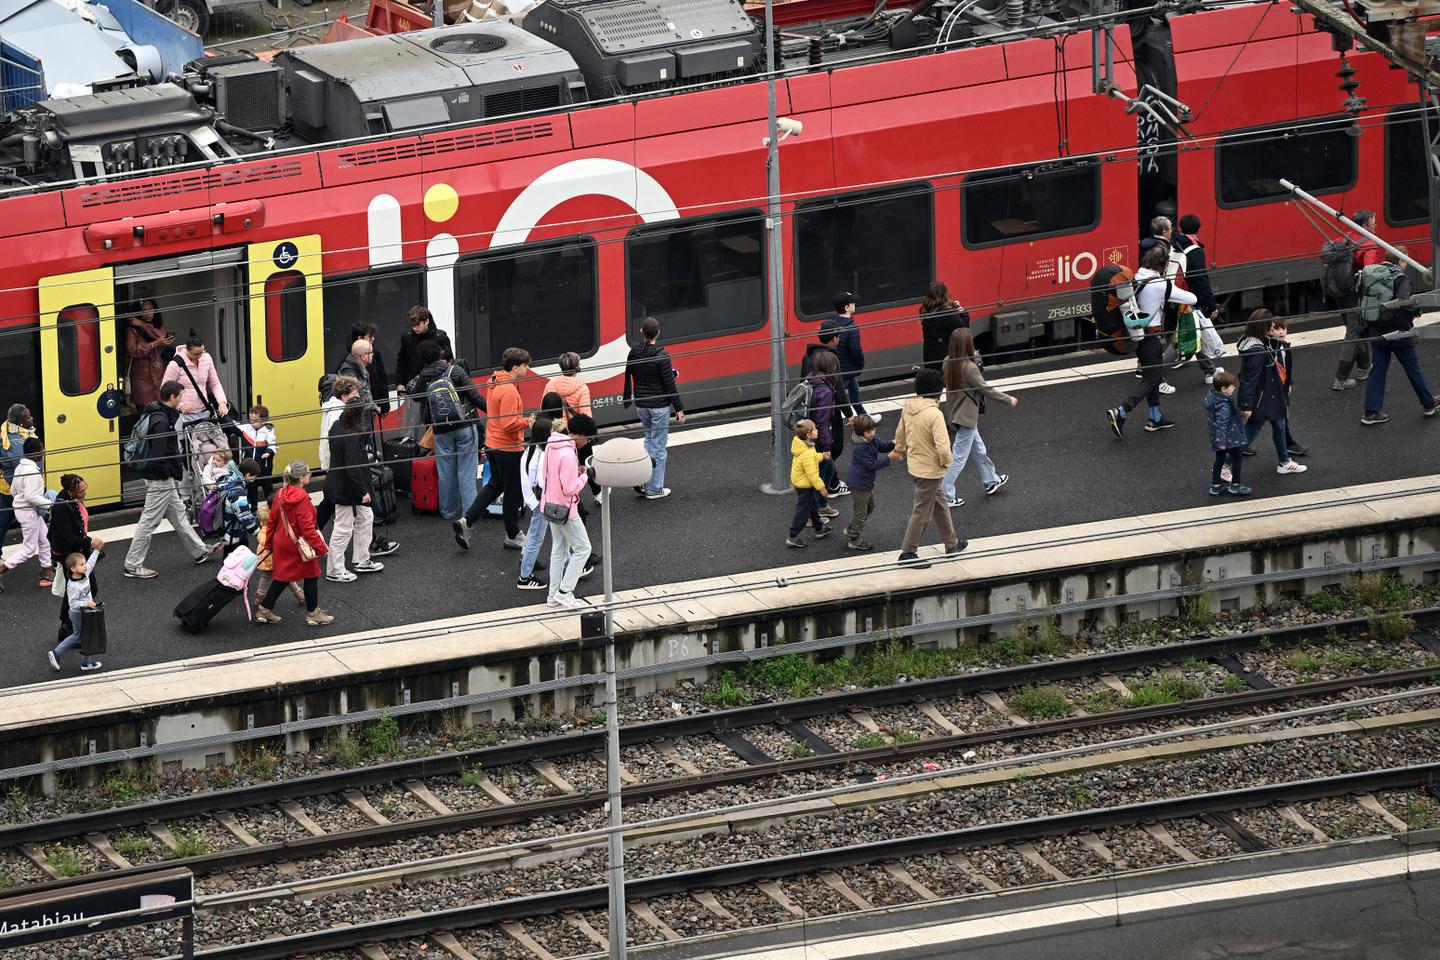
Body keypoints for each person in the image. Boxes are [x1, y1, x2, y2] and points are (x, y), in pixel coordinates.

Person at [124, 381, 216, 579]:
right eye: (180, 396)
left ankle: (200, 551)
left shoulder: (156, 412)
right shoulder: (162, 421)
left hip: (162, 476)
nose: (182, 399)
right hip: (161, 478)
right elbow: (159, 453)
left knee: (179, 515)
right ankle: (132, 565)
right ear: (173, 398)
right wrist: (167, 472)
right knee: (149, 522)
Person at [1105, 244, 1196, 439]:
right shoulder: (1160, 284)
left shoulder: (1136, 277)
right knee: (1152, 378)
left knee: (1152, 373)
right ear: (1163, 264)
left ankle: (1154, 417)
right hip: (1150, 338)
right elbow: (1192, 298)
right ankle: (1120, 411)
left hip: (1136, 333)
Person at [455, 347, 530, 550]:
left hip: (492, 443)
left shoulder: (495, 381)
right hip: (508, 448)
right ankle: (513, 535)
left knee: (494, 486)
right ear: (515, 367)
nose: (528, 369)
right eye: (525, 365)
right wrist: (527, 421)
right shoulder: (509, 391)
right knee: (513, 493)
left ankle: (467, 521)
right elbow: (508, 423)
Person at [891, 368, 965, 567]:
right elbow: (943, 445)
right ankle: (908, 552)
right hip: (930, 470)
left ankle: (952, 543)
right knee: (922, 511)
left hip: (916, 466)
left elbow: (900, 432)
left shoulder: (908, 407)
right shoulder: (935, 414)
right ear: (939, 391)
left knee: (939, 504)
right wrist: (947, 463)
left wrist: (899, 449)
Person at [1358, 249, 1438, 425]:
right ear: (1401, 261)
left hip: (1376, 329)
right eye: (1406, 260)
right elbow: (1405, 303)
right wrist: (1417, 310)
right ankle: (1428, 404)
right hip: (1399, 332)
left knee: (1377, 370)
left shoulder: (1373, 273)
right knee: (1412, 367)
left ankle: (1370, 412)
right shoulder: (1401, 278)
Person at [406, 340, 481, 521]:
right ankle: (469, 514)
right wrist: (495, 413)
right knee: (466, 471)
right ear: (440, 353)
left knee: (446, 471)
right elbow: (474, 395)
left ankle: (448, 511)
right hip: (464, 426)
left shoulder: (423, 377)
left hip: (440, 430)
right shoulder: (455, 371)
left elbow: (415, 396)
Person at [940, 328, 1014, 508]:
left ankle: (991, 480)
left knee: (978, 449)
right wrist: (1008, 399)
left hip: (957, 413)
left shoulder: (948, 362)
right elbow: (985, 389)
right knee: (958, 458)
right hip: (967, 417)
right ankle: (945, 495)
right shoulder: (969, 367)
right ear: (967, 345)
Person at [254, 460, 333, 627]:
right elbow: (308, 529)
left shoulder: (280, 494)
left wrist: (269, 544)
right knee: (311, 575)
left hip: (282, 541)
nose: (310, 476)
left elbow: (272, 522)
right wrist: (321, 548)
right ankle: (313, 613)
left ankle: (264, 609)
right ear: (302, 477)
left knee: (283, 576)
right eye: (308, 474)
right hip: (298, 543)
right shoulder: (302, 498)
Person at [1237, 310, 1307, 475]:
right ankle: (1225, 465)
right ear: (1266, 327)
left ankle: (1284, 461)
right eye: (1272, 326)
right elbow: (1250, 379)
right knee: (1250, 433)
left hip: (1271, 394)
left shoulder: (1253, 342)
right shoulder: (1258, 349)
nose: (1276, 330)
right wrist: (1247, 405)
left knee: (1280, 425)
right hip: (1264, 397)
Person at [623, 317, 685, 500]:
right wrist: (679, 409)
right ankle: (654, 489)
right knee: (658, 448)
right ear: (658, 333)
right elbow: (668, 385)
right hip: (659, 407)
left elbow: (634, 375)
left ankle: (644, 481)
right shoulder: (662, 356)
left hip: (641, 405)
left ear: (642, 332)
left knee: (648, 442)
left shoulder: (634, 353)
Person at [324, 399, 385, 583]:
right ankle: (334, 569)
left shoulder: (336, 426)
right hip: (347, 489)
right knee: (343, 528)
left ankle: (361, 559)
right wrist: (362, 492)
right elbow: (353, 468)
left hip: (339, 483)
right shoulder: (350, 436)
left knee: (366, 518)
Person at [542, 413, 597, 609]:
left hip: (549, 505)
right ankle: (565, 592)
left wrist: (575, 472)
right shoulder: (568, 453)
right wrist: (585, 476)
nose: (587, 442)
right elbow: (569, 488)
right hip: (566, 509)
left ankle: (552, 596)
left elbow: (548, 476)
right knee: (583, 549)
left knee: (558, 550)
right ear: (579, 435)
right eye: (588, 438)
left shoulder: (551, 445)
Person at [47, 473, 103, 644]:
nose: (85, 492)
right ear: (71, 492)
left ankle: (69, 627)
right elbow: (66, 537)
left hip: (76, 551)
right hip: (68, 555)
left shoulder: (72, 501)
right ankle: (68, 628)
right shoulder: (62, 507)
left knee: (78, 588)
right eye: (81, 490)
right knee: (80, 588)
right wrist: (90, 541)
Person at [1172, 215, 1223, 385]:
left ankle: (1209, 370)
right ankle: (1154, 374)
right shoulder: (1194, 250)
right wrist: (1211, 304)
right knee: (1190, 333)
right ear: (1198, 229)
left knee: (1188, 332)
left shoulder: (1173, 243)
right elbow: (1202, 280)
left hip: (1171, 292)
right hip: (1187, 297)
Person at [0, 437, 54, 590]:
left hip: (24, 511)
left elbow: (13, 491)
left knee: (45, 541)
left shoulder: (20, 467)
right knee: (29, 549)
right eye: (42, 450)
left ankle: (46, 576)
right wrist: (49, 503)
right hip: (29, 512)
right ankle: (1, 570)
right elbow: (31, 497)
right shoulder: (32, 471)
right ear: (37, 452)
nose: (43, 452)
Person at [395, 306, 453, 435]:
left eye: (417, 325)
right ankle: (408, 449)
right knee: (409, 429)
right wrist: (400, 383)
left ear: (426, 321)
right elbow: (402, 361)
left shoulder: (440, 337)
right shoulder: (407, 338)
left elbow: (449, 361)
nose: (414, 328)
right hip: (413, 388)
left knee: (437, 424)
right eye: (412, 325)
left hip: (436, 387)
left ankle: (435, 448)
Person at [843, 414, 893, 551]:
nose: (872, 432)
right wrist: (889, 458)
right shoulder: (860, 448)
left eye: (873, 429)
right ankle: (854, 539)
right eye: (869, 431)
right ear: (861, 432)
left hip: (864, 483)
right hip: (859, 484)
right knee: (861, 512)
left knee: (870, 507)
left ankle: (852, 529)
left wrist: (894, 443)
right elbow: (872, 465)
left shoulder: (871, 439)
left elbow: (883, 446)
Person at [48, 548, 103, 672]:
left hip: (83, 611)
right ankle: (86, 663)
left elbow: (91, 563)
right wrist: (87, 603)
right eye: (81, 564)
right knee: (87, 635)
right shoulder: (73, 586)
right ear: (73, 569)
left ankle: (57, 653)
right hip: (78, 613)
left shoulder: (85, 573)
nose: (85, 566)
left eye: (84, 563)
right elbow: (73, 603)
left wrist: (97, 551)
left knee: (79, 635)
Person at [807, 350, 851, 502]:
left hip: (808, 434)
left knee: (826, 470)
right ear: (831, 368)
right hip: (819, 440)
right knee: (822, 474)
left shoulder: (810, 380)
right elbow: (822, 422)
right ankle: (815, 510)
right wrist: (826, 447)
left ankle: (821, 505)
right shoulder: (825, 391)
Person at [517, 414, 554, 591]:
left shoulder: (530, 450)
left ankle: (572, 564)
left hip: (532, 500)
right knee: (536, 540)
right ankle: (524, 577)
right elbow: (542, 481)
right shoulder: (542, 455)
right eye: (552, 431)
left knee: (551, 533)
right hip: (541, 502)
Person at [1204, 371, 1252, 497]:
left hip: (1221, 438)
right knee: (1237, 459)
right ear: (1224, 389)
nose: (1234, 388)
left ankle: (1216, 487)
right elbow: (1222, 425)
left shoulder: (1214, 398)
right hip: (1230, 439)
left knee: (1219, 460)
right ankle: (1235, 485)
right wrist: (1221, 442)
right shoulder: (1224, 405)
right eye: (1232, 387)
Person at [785, 419, 831, 548]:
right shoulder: (807, 453)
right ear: (809, 435)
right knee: (803, 511)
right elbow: (812, 474)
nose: (817, 430)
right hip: (806, 486)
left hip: (800, 482)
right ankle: (793, 536)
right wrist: (822, 488)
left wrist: (822, 456)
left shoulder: (803, 445)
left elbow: (812, 457)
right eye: (815, 429)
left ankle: (818, 528)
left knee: (812, 507)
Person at [252, 500, 305, 609]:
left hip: (265, 559)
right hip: (277, 557)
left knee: (265, 577)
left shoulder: (263, 531)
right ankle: (299, 594)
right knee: (287, 576)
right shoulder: (275, 530)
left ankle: (260, 596)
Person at [163, 336, 229, 424]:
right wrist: (180, 406)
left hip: (204, 410)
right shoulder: (175, 364)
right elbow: (165, 390)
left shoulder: (206, 358)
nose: (199, 356)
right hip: (184, 414)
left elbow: (215, 384)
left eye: (202, 352)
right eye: (195, 354)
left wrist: (222, 402)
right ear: (187, 349)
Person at [830, 292, 874, 419]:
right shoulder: (852, 328)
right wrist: (860, 364)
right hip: (847, 370)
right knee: (838, 398)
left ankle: (864, 417)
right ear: (846, 308)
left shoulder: (831, 321)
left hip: (842, 368)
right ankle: (855, 421)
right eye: (852, 303)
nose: (854, 304)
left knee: (854, 394)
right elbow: (856, 351)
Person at [0, 404, 38, 547]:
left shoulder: (9, 431)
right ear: (20, 423)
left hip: (6, 488)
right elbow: (22, 473)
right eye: (28, 417)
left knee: (3, 523)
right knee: (36, 526)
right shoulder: (19, 444)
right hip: (17, 491)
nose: (32, 418)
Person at [124, 306, 173, 408]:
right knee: (145, 408)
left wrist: (142, 324)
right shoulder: (132, 330)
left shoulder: (160, 327)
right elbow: (132, 350)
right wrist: (153, 344)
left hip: (159, 370)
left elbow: (161, 336)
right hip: (142, 373)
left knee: (161, 405)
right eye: (144, 310)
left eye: (151, 310)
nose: (148, 313)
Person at [919, 282, 969, 372]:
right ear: (944, 295)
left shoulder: (924, 309)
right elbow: (963, 326)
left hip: (930, 355)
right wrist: (962, 311)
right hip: (945, 355)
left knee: (935, 380)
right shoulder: (946, 312)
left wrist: (952, 308)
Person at [350, 322, 391, 417]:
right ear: (360, 338)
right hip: (359, 409)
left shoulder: (375, 353)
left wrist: (384, 406)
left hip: (374, 404)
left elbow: (382, 378)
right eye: (370, 337)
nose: (373, 339)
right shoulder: (349, 359)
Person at [545, 352, 593, 419]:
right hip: (574, 427)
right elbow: (586, 418)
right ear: (577, 367)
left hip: (556, 427)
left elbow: (544, 410)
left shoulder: (550, 385)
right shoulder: (582, 388)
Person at [238, 405, 278, 476]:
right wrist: (224, 416)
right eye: (251, 420)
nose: (252, 422)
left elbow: (273, 445)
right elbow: (233, 426)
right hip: (249, 467)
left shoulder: (268, 430)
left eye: (255, 420)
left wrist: (268, 452)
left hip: (264, 468)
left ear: (264, 421)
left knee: (267, 485)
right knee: (251, 486)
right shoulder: (247, 428)